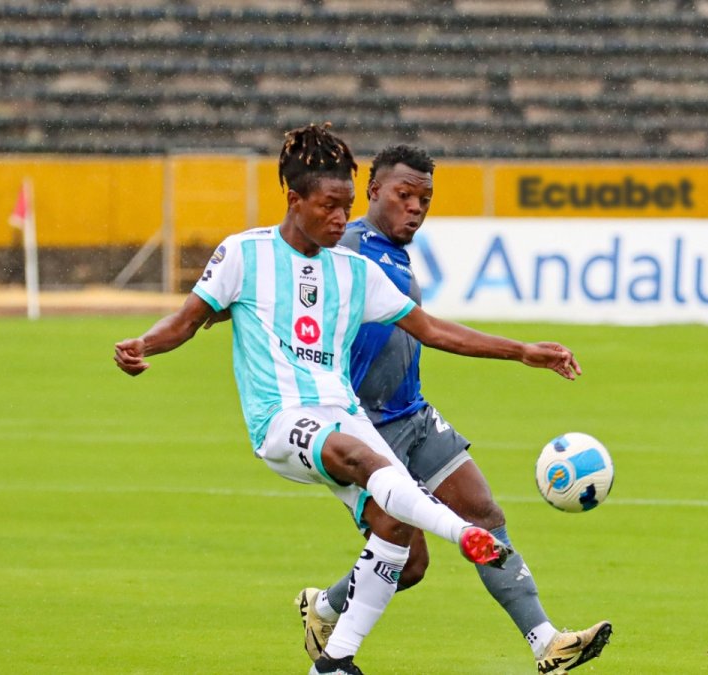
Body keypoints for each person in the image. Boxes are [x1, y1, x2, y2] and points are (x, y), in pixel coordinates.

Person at [114, 124, 581, 675]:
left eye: (345, 206)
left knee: (397, 529)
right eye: (329, 206)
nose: (340, 218)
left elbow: (432, 330)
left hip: (347, 412)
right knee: (364, 462)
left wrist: (521, 351)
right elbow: (191, 319)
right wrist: (146, 343)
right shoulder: (245, 252)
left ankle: (334, 660)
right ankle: (465, 534)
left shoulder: (356, 271)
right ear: (295, 199)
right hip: (282, 419)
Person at [293, 145, 611, 675]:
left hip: (411, 414)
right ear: (372, 192)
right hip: (361, 429)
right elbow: (432, 331)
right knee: (410, 564)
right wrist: (522, 352)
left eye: (425, 198)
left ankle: (546, 642)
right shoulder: (344, 250)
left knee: (484, 513)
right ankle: (324, 607)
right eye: (404, 195)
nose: (415, 208)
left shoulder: (395, 253)